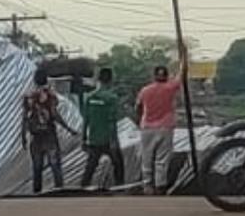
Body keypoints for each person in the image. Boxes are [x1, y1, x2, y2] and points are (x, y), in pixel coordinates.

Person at [135, 44, 188, 195]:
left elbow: (137, 107)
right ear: (166, 76)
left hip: (147, 127)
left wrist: (140, 120)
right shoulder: (170, 87)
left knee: (146, 157)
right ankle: (160, 186)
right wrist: (184, 56)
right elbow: (182, 73)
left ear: (154, 76)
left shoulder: (145, 90)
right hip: (165, 127)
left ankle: (147, 186)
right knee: (162, 159)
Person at [23, 69, 77, 194]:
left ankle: (37, 194)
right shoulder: (51, 96)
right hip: (49, 136)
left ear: (34, 80)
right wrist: (69, 129)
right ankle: (59, 193)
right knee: (55, 166)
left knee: (37, 168)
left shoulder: (28, 97)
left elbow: (25, 118)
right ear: (46, 80)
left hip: (35, 137)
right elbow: (54, 114)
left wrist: (23, 136)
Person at [81, 67, 125, 189]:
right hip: (108, 139)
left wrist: (83, 139)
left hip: (94, 138)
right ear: (111, 80)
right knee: (118, 164)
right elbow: (111, 121)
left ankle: (82, 189)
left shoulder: (89, 97)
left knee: (90, 166)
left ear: (98, 79)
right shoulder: (112, 98)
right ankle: (120, 188)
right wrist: (113, 141)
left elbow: (86, 120)